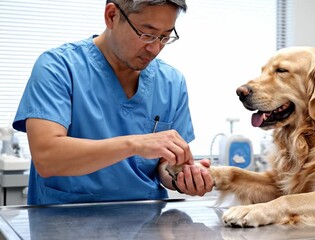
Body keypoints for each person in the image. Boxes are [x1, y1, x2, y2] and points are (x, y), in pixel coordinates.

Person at [12, 0, 214, 205]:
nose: (154, 48)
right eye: (147, 34)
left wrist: (182, 178)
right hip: (65, 220)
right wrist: (136, 144)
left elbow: (164, 166)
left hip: (146, 222)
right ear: (111, 16)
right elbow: (47, 157)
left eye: (165, 37)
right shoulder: (58, 68)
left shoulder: (171, 82)